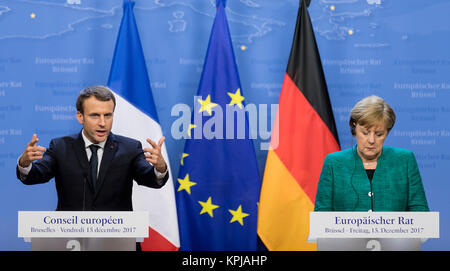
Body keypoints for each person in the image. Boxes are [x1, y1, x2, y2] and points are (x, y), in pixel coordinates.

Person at [16, 85, 169, 211]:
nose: (102, 123)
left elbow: (150, 178)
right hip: (71, 241)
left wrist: (160, 168)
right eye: (95, 115)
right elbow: (34, 175)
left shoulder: (130, 148)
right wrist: (24, 164)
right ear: (80, 117)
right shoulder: (60, 147)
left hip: (118, 241)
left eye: (108, 115)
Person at [314, 95, 429, 212]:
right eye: (365, 133)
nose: (371, 140)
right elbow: (322, 216)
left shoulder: (405, 160)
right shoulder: (334, 163)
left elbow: (421, 214)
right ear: (354, 129)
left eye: (379, 134)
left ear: (387, 132)